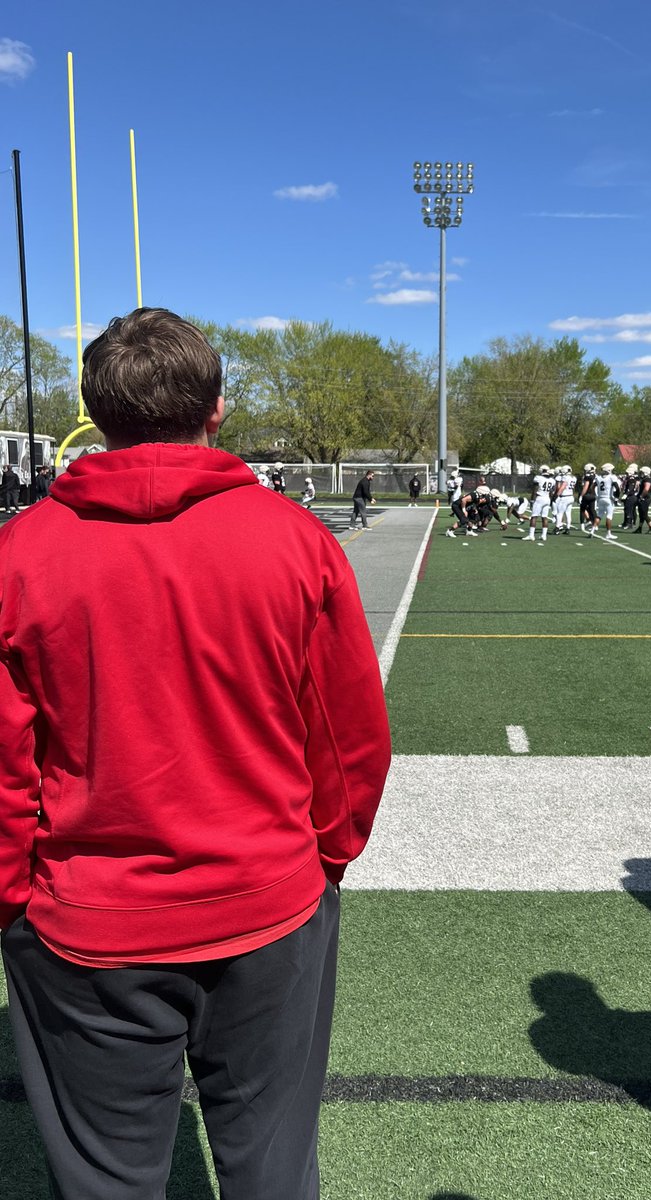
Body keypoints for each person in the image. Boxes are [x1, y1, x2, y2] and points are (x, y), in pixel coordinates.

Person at [0, 307, 391, 1200]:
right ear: (216, 408)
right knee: (271, 1167)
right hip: (267, 903)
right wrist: (323, 857)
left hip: (89, 923)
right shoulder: (294, 541)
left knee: (105, 1181)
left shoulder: (20, 553)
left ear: (96, 418)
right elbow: (350, 740)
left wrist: (14, 902)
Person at [522, 464, 554, 542]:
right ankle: (544, 535)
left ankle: (531, 535)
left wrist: (532, 500)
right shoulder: (552, 480)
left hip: (540, 498)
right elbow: (551, 492)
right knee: (544, 517)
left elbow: (535, 490)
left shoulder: (538, 478)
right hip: (547, 499)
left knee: (534, 516)